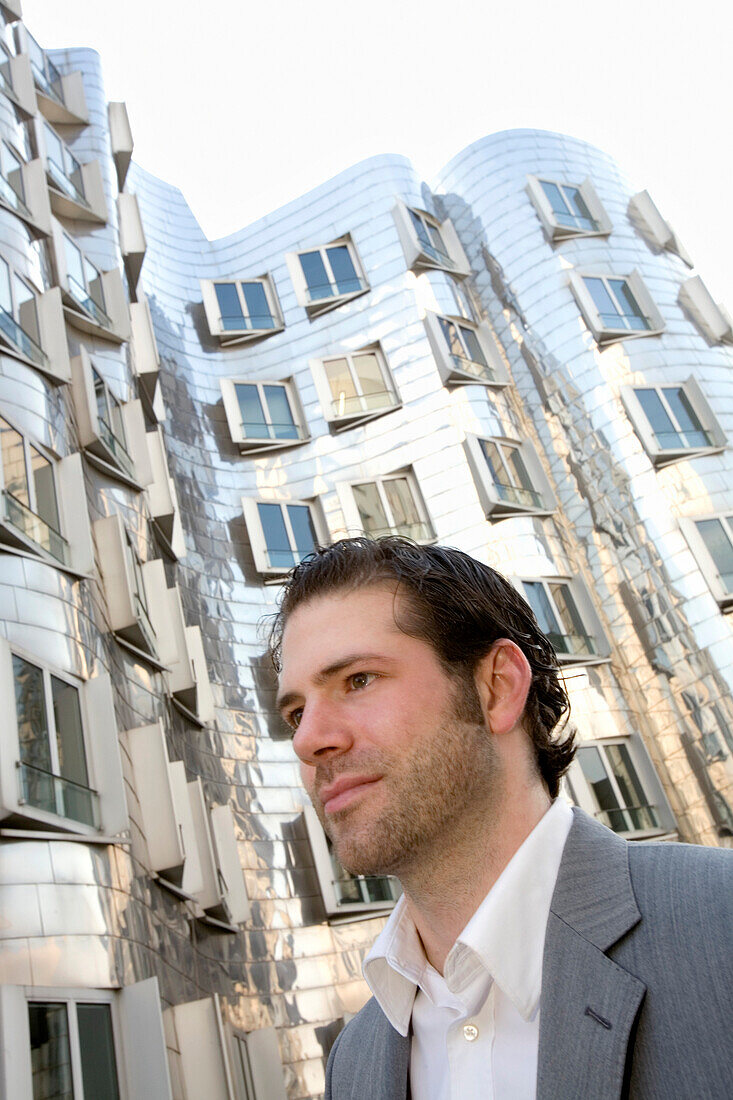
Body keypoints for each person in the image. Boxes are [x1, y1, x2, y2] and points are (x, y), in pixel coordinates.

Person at [270, 536, 733, 1100]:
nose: (309, 740)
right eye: (295, 713)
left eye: (358, 680)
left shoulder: (718, 923)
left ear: (498, 688)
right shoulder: (355, 1062)